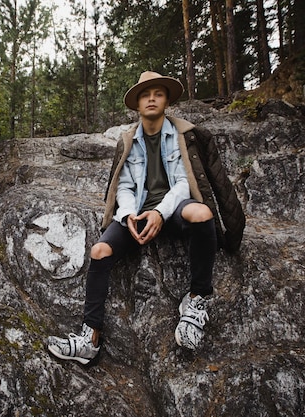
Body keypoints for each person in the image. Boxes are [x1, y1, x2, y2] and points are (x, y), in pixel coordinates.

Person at [47, 71, 245, 365]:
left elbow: (182, 183)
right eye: (145, 94)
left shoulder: (182, 134)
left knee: (202, 213)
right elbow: (124, 186)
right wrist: (128, 215)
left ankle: (196, 300)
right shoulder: (128, 141)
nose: (151, 98)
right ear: (137, 104)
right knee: (100, 251)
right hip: (137, 213)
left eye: (158, 93)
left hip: (173, 210)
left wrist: (159, 213)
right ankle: (90, 339)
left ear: (166, 101)